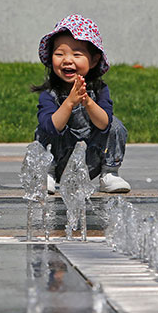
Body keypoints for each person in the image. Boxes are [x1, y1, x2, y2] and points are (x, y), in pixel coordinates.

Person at [33, 14, 131, 194]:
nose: (67, 60)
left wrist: (87, 101)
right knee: (43, 129)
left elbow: (104, 124)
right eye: (59, 54)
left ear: (93, 60)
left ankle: (109, 173)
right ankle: (46, 174)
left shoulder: (100, 90)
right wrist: (69, 102)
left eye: (76, 54)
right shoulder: (50, 94)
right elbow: (52, 127)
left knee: (115, 125)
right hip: (59, 159)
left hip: (89, 158)